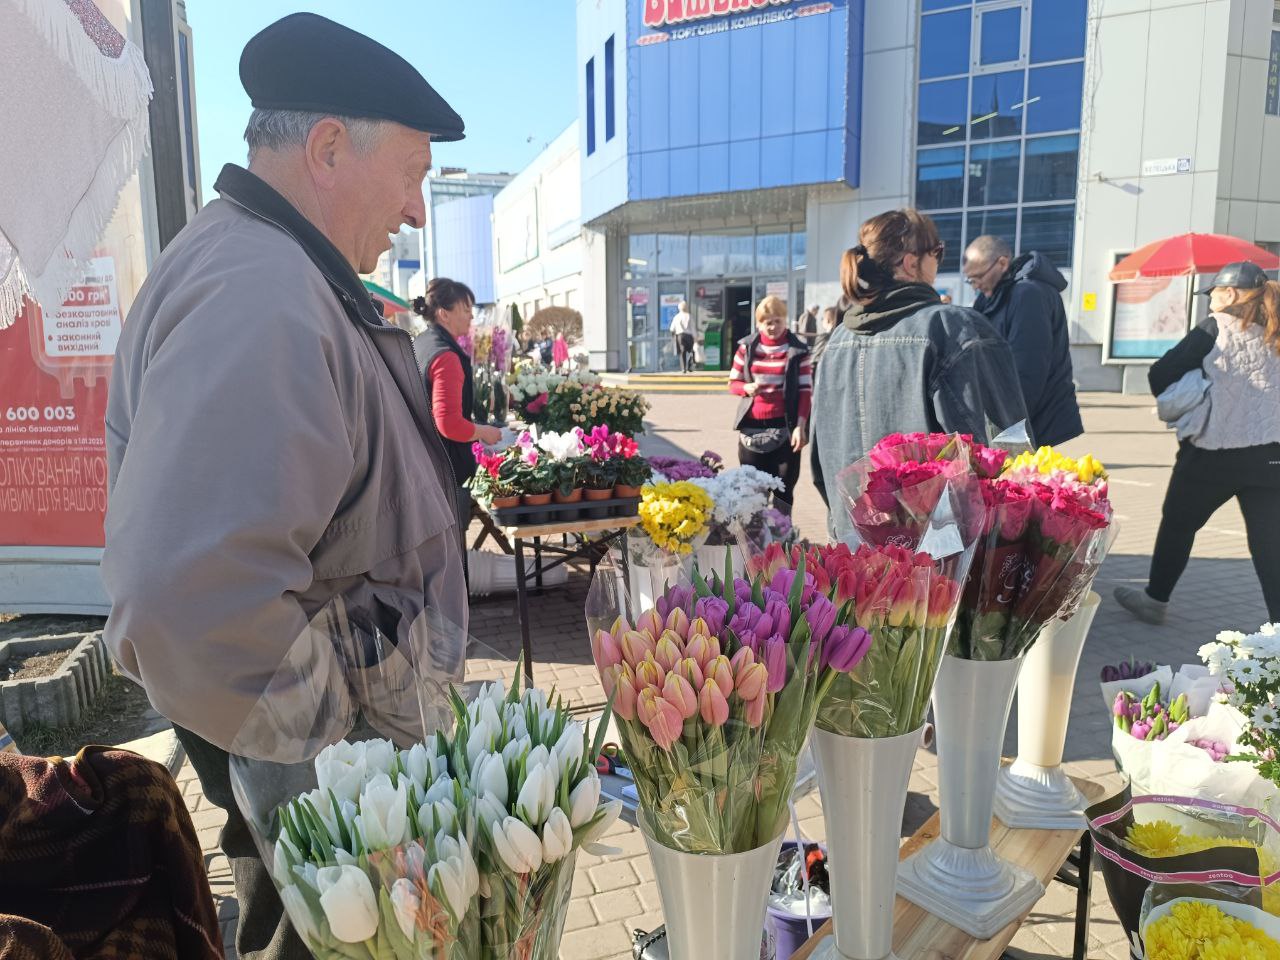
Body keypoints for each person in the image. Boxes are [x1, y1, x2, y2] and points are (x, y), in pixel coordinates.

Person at [100, 14, 468, 960]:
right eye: (413, 174)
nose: (417, 210)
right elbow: (183, 596)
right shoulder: (262, 292)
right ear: (330, 148)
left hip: (322, 780)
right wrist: (332, 748)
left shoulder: (271, 267)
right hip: (326, 802)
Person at [810, 209, 1028, 540]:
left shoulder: (836, 341)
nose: (939, 261)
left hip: (853, 551)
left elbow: (819, 462)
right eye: (937, 252)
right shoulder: (953, 328)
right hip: (940, 553)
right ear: (911, 263)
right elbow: (1006, 450)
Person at [1115, 261, 1280, 625]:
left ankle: (1155, 600)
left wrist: (1200, 383)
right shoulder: (1277, 329)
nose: (1210, 302)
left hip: (1213, 451)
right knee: (1270, 544)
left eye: (1213, 294)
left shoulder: (1216, 326)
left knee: (1178, 523)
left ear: (1230, 294)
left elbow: (1161, 373)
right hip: (1272, 455)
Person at [963, 236, 1084, 446]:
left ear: (1002, 263)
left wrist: (1008, 430)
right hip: (1017, 416)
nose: (976, 285)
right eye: (971, 280)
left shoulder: (1028, 295)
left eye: (979, 277)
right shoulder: (991, 297)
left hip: (1037, 419)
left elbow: (1028, 370)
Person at [414, 278, 504, 546]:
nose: (471, 316)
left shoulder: (422, 343)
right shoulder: (446, 357)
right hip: (448, 469)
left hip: (422, 461)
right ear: (444, 314)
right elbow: (449, 423)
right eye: (465, 309)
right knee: (451, 548)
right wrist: (483, 431)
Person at [728, 295, 812, 515]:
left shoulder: (798, 350)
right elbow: (733, 383)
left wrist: (800, 426)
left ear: (785, 320)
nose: (773, 327)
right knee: (753, 493)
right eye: (767, 322)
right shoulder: (746, 348)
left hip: (785, 427)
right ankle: (756, 534)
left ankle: (783, 534)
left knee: (784, 491)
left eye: (777, 321)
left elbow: (805, 391)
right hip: (752, 428)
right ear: (759, 324)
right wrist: (745, 388)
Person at [670, 299, 696, 372]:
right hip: (689, 336)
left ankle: (683, 368)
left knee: (682, 351)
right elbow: (693, 328)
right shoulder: (689, 316)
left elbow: (672, 328)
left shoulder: (676, 317)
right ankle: (690, 365)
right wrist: (695, 337)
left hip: (680, 336)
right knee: (691, 350)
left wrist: (673, 336)